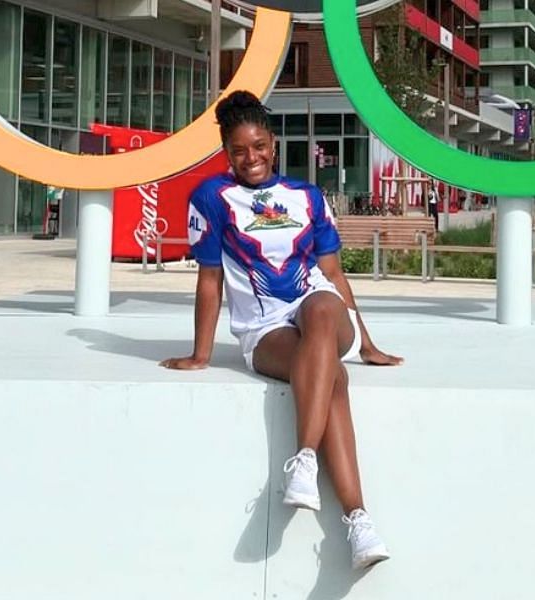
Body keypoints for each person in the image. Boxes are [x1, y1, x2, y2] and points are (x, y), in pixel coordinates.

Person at [159, 91, 401, 570]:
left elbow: (332, 274)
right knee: (333, 377)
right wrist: (201, 354)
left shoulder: (307, 197)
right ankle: (359, 522)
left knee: (323, 311)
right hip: (264, 328)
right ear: (227, 153)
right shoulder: (212, 198)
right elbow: (209, 281)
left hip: (322, 310)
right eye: (239, 150)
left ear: (273, 144)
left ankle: (304, 458)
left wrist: (367, 341)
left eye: (259, 146)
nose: (251, 158)